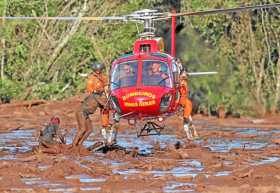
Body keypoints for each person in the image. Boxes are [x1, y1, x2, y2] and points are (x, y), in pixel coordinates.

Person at [72, 62, 116, 147]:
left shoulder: (103, 80)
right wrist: (115, 107)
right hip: (81, 112)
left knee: (89, 130)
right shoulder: (95, 94)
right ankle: (73, 146)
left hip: (86, 113)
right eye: (96, 71)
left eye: (99, 70)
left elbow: (104, 104)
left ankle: (80, 144)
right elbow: (104, 104)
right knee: (82, 129)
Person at [179, 70, 198, 140]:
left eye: (185, 75)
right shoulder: (181, 83)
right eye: (183, 75)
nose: (184, 77)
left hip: (185, 101)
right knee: (187, 118)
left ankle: (192, 133)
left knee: (188, 118)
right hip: (181, 101)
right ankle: (190, 134)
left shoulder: (184, 82)